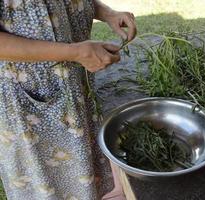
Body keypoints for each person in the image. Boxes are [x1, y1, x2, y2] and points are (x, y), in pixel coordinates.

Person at [0, 0, 136, 199]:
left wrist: (108, 13)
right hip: (29, 106)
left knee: (87, 176)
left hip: (78, 91)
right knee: (49, 184)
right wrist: (75, 52)